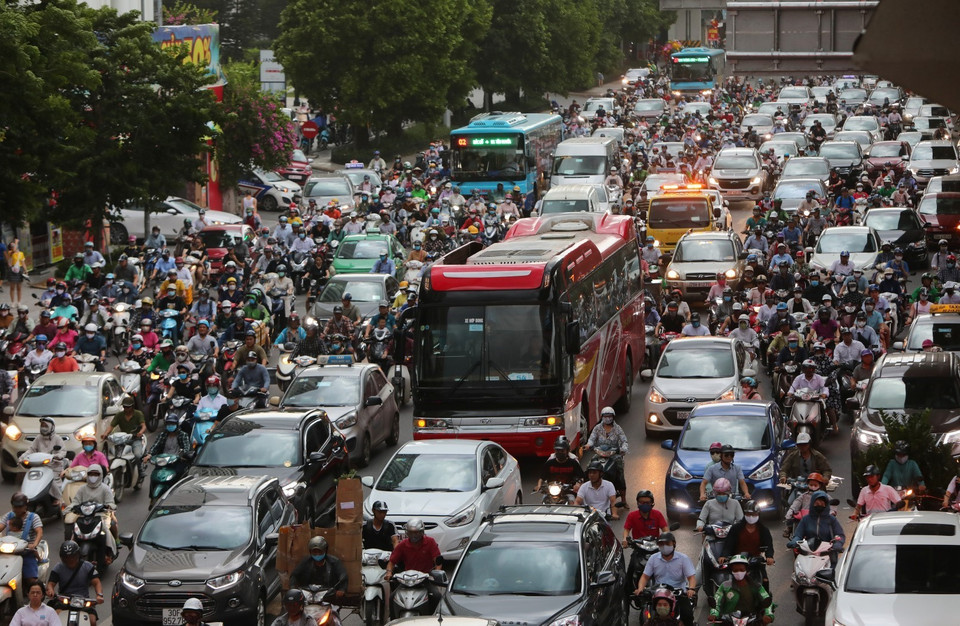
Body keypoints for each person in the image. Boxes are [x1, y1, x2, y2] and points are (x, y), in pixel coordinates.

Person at [635, 533, 697, 626]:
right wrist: (640, 588)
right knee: (645, 615)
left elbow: (691, 577)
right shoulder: (653, 558)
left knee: (687, 615)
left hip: (678, 594)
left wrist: (691, 589)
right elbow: (645, 576)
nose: (664, 546)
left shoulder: (683, 559)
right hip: (659, 593)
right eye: (661, 544)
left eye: (667, 543)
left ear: (674, 544)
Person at [46, 541, 103, 625]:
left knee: (92, 621)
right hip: (63, 601)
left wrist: (99, 595)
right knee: (57, 617)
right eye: (66, 557)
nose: (70, 559)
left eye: (73, 556)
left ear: (78, 555)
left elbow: (96, 582)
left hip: (84, 601)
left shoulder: (88, 566)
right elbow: (50, 584)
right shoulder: (58, 568)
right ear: (62, 557)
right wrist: (50, 591)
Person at [708, 554, 774, 624]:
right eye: (735, 570)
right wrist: (714, 614)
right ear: (731, 571)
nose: (738, 572)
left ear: (746, 570)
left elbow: (766, 599)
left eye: (741, 570)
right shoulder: (724, 586)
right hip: (728, 622)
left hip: (751, 621)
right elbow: (717, 601)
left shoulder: (756, 586)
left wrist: (768, 615)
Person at [789, 490, 845, 565]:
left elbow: (840, 535)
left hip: (827, 553)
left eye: (822, 504)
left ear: (826, 505)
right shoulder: (806, 519)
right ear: (812, 504)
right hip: (809, 552)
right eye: (817, 503)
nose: (819, 505)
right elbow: (798, 534)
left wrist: (838, 544)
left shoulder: (831, 520)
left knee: (831, 573)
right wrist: (794, 541)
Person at [101, 396, 147, 487]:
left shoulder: (138, 414)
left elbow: (143, 426)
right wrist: (105, 434)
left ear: (132, 406)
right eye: (125, 407)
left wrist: (140, 433)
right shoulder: (119, 415)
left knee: (138, 455)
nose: (126, 409)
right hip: (122, 440)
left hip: (134, 439)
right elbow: (111, 426)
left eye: (128, 407)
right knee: (111, 455)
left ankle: (141, 473)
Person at [582, 406, 628, 497]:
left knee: (620, 474)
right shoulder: (597, 428)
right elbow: (592, 439)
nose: (608, 418)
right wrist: (588, 445)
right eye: (605, 416)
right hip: (599, 454)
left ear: (613, 417)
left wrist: (622, 449)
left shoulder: (617, 428)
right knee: (588, 467)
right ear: (602, 417)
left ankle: (623, 499)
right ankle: (584, 489)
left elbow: (624, 441)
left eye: (609, 416)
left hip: (613, 455)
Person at [0, 493, 43, 587]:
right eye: (15, 506)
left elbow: (39, 531)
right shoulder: (8, 516)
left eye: (19, 507)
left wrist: (34, 544)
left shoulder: (33, 517)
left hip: (26, 552)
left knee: (32, 581)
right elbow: (1, 526)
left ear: (25, 506)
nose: (17, 509)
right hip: (8, 552)